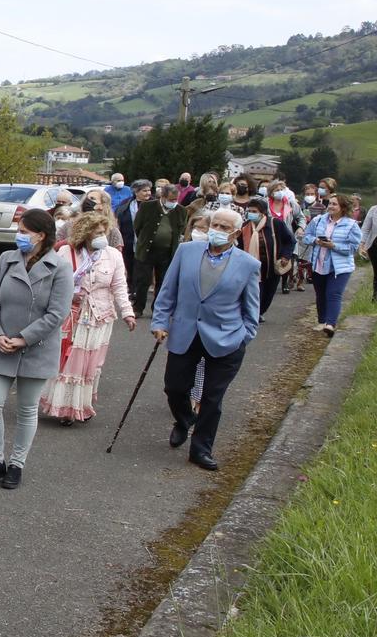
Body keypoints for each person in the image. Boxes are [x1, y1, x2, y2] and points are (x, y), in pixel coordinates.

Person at [153, 208, 262, 471]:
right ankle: (183, 419)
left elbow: (251, 308)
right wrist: (159, 321)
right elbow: (168, 290)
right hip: (185, 332)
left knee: (212, 398)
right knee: (175, 387)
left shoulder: (248, 265)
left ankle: (201, 449)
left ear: (236, 233)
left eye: (225, 227)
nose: (218, 230)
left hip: (226, 338)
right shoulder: (186, 251)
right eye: (215, 224)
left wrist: (244, 336)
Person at [0, 209, 73, 491]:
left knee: (27, 409)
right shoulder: (6, 260)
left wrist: (24, 339)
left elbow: (57, 314)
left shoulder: (60, 268)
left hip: (36, 349)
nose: (19, 236)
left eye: (24, 232)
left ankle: (16, 464)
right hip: (1, 345)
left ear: (41, 235)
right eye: (18, 230)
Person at [37, 212, 134, 426]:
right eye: (97, 233)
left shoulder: (112, 256)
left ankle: (83, 405)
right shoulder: (65, 252)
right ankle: (64, 408)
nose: (102, 236)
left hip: (100, 317)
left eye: (103, 232)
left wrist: (127, 312)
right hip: (72, 315)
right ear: (85, 234)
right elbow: (52, 281)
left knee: (91, 365)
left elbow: (119, 286)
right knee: (69, 361)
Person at [305, 194, 364, 335]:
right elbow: (306, 236)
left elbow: (353, 248)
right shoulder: (318, 220)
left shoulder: (351, 225)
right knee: (321, 294)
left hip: (340, 267)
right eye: (330, 203)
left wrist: (334, 246)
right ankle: (321, 321)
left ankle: (330, 324)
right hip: (319, 263)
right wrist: (316, 241)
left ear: (343, 208)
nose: (330, 206)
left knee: (334, 293)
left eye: (334, 204)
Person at [132, 182, 187, 316]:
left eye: (175, 199)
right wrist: (144, 241)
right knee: (143, 280)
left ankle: (157, 309)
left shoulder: (181, 211)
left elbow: (181, 229)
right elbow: (137, 226)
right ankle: (138, 308)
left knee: (163, 282)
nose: (173, 202)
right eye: (171, 199)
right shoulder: (147, 206)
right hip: (147, 250)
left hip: (167, 253)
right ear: (162, 196)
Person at [240, 195, 291, 319]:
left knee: (268, 293)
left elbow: (289, 240)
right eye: (249, 211)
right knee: (255, 292)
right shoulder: (245, 227)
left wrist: (285, 255)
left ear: (262, 213)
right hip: (252, 268)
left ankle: (261, 311)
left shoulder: (275, 224)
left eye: (254, 212)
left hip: (270, 267)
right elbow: (239, 246)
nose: (251, 214)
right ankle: (254, 314)